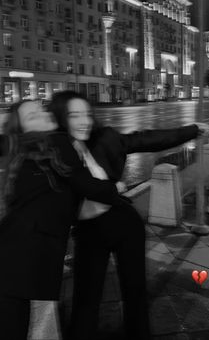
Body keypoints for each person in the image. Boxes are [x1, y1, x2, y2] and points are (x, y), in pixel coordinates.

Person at [49, 90, 209, 340]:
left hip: (123, 222)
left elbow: (147, 139)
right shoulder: (55, 150)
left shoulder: (106, 138)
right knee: (85, 299)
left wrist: (192, 130)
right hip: (88, 232)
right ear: (61, 118)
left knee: (134, 291)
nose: (84, 121)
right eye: (74, 115)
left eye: (87, 114)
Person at [0, 99, 122, 340]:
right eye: (32, 116)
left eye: (40, 109)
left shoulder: (24, 153)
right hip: (23, 260)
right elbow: (89, 187)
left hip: (12, 256)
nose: (41, 113)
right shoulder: (56, 142)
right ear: (24, 130)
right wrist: (114, 188)